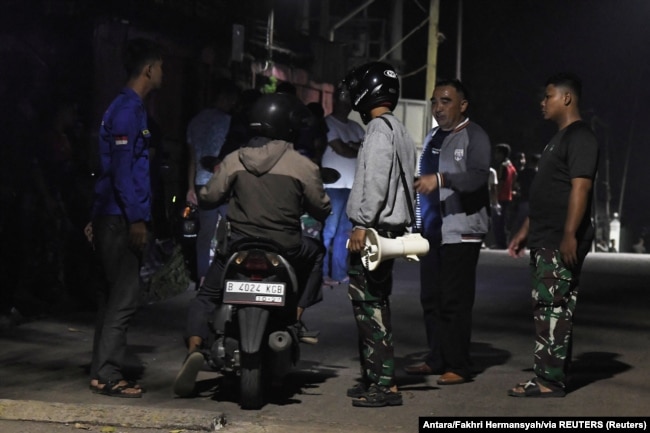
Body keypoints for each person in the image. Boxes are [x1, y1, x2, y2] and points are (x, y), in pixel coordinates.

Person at [173, 92, 331, 397]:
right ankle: (294, 319)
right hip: (286, 249)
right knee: (316, 254)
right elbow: (322, 208)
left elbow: (209, 197)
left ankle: (194, 347)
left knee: (206, 296)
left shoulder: (235, 159)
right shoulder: (302, 166)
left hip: (238, 249)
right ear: (287, 125)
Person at [507, 72, 599, 398]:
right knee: (549, 307)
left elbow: (580, 187)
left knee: (552, 307)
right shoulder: (557, 139)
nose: (542, 102)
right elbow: (547, 192)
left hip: (560, 236)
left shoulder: (581, 137)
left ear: (567, 98)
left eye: (548, 96)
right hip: (545, 234)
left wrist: (570, 233)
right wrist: (524, 231)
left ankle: (548, 380)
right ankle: (553, 371)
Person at [85, 38, 164, 398]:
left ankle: (101, 371)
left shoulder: (123, 107)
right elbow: (121, 171)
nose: (163, 73)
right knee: (124, 298)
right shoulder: (128, 111)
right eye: (161, 67)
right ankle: (109, 375)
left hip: (110, 214)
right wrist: (136, 220)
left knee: (110, 296)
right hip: (120, 218)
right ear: (149, 69)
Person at [343, 61, 416, 408]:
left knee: (369, 307)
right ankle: (374, 377)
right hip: (388, 230)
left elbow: (374, 181)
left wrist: (361, 223)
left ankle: (384, 385)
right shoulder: (398, 129)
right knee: (376, 303)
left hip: (372, 232)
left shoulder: (376, 130)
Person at [410, 79, 491, 385]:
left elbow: (477, 177)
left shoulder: (474, 135)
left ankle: (458, 364)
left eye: (445, 101)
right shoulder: (432, 136)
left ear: (463, 105)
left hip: (461, 233)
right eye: (434, 101)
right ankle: (436, 357)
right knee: (430, 297)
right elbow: (423, 182)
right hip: (432, 232)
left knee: (454, 300)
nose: (438, 108)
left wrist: (441, 179)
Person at [186, 78, 241, 285]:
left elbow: (192, 158)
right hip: (224, 183)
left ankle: (202, 276)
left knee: (205, 233)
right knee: (231, 230)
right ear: (226, 99)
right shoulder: (229, 123)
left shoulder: (196, 121)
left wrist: (190, 187)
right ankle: (226, 273)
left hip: (201, 183)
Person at [321, 81, 365, 287]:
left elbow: (368, 149)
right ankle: (321, 273)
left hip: (352, 188)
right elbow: (341, 149)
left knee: (343, 234)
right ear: (335, 100)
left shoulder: (355, 127)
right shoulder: (328, 124)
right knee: (328, 232)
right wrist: (355, 147)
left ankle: (338, 274)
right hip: (333, 187)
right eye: (342, 99)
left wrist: (353, 146)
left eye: (349, 100)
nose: (345, 104)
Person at [491, 143, 518, 249]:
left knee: (498, 222)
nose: (495, 155)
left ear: (502, 154)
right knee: (504, 222)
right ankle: (503, 242)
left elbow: (500, 183)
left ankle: (500, 243)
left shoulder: (503, 166)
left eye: (497, 153)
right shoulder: (511, 166)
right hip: (508, 197)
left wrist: (495, 198)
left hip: (501, 197)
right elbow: (515, 178)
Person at [511, 152, 540, 234]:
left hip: (523, 200)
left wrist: (517, 192)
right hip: (534, 201)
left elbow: (516, 185)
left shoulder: (522, 173)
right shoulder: (538, 174)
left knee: (520, 222)